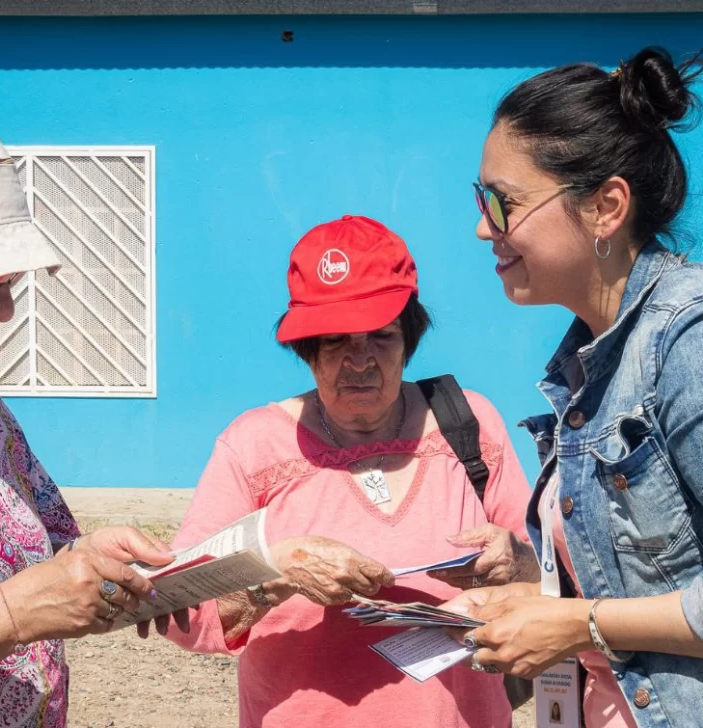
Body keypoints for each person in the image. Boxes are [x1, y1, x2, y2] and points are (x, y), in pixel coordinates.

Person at [166, 214, 537, 728]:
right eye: (335, 340)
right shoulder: (252, 445)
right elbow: (179, 611)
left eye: (381, 337)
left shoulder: (468, 425)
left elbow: (554, 577)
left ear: (409, 337)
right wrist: (277, 574)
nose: (359, 361)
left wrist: (517, 563)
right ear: (306, 349)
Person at [443, 46, 703, 728]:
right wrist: (532, 587)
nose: (482, 227)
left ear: (605, 208)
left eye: (502, 202)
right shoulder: (587, 364)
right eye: (480, 200)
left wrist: (576, 624)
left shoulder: (687, 342)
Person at [0, 127, 186, 727]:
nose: (6, 311)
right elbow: (19, 597)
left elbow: (35, 543)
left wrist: (87, 555)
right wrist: (16, 611)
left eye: (8, 283)